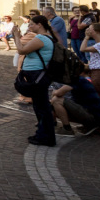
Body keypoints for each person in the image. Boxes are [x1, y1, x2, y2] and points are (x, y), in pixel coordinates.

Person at [11, 15, 59, 146]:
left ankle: (46, 137)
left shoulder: (41, 38)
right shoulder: (44, 37)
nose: (30, 26)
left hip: (37, 74)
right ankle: (42, 134)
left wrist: (16, 36)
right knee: (39, 106)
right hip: (37, 73)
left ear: (40, 25)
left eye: (32, 24)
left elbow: (21, 50)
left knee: (42, 107)